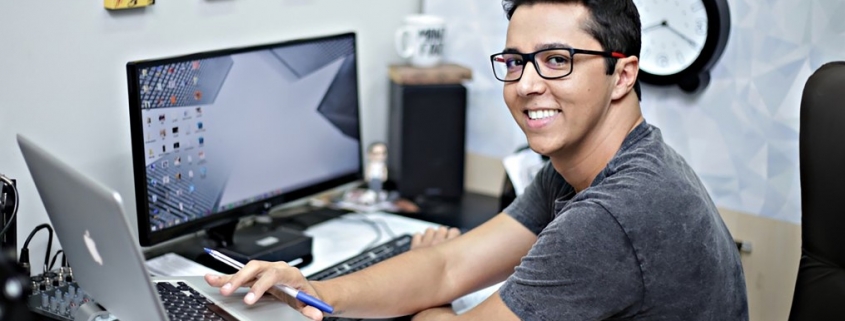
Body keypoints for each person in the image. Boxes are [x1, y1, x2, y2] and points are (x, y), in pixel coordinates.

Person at [204, 0, 749, 320]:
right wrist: (312, 292)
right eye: (515, 62)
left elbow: (446, 283)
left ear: (623, 75)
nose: (527, 84)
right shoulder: (587, 167)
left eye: (557, 61)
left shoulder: (613, 214)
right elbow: (449, 264)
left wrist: (437, 308)